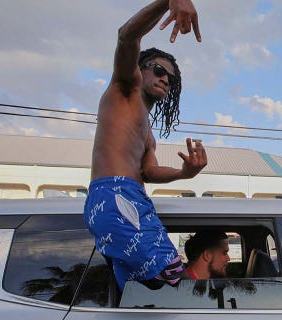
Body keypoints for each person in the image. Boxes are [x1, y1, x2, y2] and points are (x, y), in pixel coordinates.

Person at [84, 0, 206, 290]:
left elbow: (149, 172)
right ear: (140, 68)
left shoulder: (148, 133)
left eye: (171, 79)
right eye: (159, 70)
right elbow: (127, 35)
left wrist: (183, 174)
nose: (166, 78)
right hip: (114, 195)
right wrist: (168, 1)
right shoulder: (122, 90)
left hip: (136, 199)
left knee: (141, 295)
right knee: (175, 281)